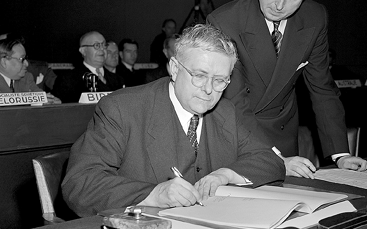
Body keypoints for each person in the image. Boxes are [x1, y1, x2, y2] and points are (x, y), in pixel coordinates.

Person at [62, 24, 285, 217]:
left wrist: (224, 175)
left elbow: (270, 160)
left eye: (219, 81)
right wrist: (154, 194)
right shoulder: (123, 109)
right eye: (199, 76)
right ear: (175, 69)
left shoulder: (224, 111)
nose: (208, 90)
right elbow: (79, 183)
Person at [207, 0, 367, 178]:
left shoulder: (315, 17)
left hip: (284, 139)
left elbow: (322, 88)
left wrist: (341, 155)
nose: (280, 4)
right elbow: (235, 103)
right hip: (237, 138)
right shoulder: (224, 21)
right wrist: (275, 158)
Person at [52, 31, 125, 103]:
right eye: (97, 45)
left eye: (104, 45)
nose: (102, 49)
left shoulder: (118, 79)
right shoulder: (68, 79)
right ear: (83, 51)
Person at [0, 36, 61, 104]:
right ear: (3, 62)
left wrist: (50, 101)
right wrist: (33, 99)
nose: (26, 64)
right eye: (21, 59)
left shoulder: (27, 77)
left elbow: (40, 97)